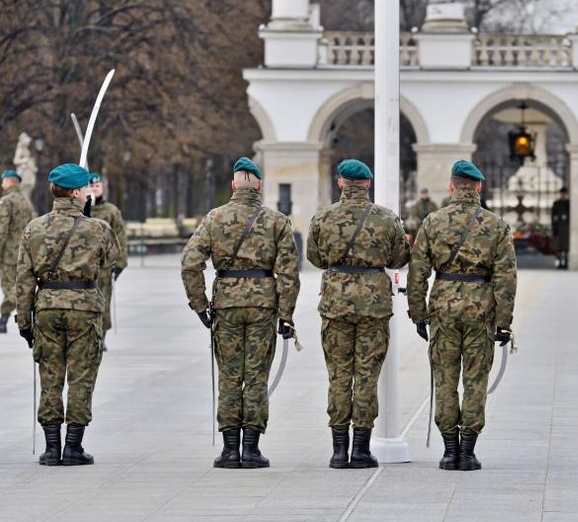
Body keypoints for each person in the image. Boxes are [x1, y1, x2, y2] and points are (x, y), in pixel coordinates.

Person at [181, 157, 300, 469]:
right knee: (257, 376)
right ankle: (251, 449)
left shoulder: (214, 218)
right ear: (259, 185)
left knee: (230, 376)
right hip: (263, 305)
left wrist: (199, 305)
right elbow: (288, 272)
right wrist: (286, 315)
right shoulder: (276, 221)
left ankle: (229, 450)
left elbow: (190, 263)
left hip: (226, 305)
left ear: (234, 185)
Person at [408, 160, 517, 471]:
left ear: (452, 186)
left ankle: (448, 450)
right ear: (479, 187)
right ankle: (467, 452)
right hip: (481, 308)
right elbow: (506, 278)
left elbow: (418, 272)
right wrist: (504, 323)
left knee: (444, 379)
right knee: (475, 379)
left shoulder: (433, 221)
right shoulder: (496, 225)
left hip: (443, 307)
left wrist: (418, 313)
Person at [307, 158, 410, 469]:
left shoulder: (324, 217)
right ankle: (362, 450)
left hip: (336, 303)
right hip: (373, 306)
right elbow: (399, 259)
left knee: (338, 376)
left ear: (341, 182)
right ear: (368, 184)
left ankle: (339, 451)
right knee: (367, 376)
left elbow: (314, 257)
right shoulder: (386, 218)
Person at [15, 163, 117, 466]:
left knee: (50, 377)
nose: (88, 192)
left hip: (46, 307)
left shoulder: (34, 228)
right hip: (84, 307)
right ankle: (73, 446)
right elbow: (111, 258)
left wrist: (23, 321)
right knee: (81, 377)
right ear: (75, 192)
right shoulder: (97, 228)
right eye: (84, 188)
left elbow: (24, 279)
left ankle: (51, 448)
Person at [89, 173, 127, 348]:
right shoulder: (82, 208)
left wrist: (120, 263)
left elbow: (120, 237)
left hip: (104, 266)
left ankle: (101, 336)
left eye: (97, 185)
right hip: (85, 265)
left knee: (103, 300)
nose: (94, 188)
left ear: (102, 188)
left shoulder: (111, 211)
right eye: (91, 186)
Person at [0, 169, 36, 333]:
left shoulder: (6, 201)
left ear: (9, 182)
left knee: (9, 288)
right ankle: (4, 319)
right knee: (17, 286)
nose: (2, 184)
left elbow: (2, 230)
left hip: (8, 253)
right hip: (24, 252)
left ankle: (20, 316)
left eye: (3, 181)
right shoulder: (26, 201)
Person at [550, 187, 570, 269]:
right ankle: (558, 263)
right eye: (562, 194)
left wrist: (566, 217)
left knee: (565, 248)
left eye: (564, 194)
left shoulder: (568, 204)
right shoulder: (556, 203)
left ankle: (565, 262)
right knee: (558, 248)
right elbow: (553, 216)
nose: (563, 195)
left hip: (566, 229)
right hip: (558, 228)